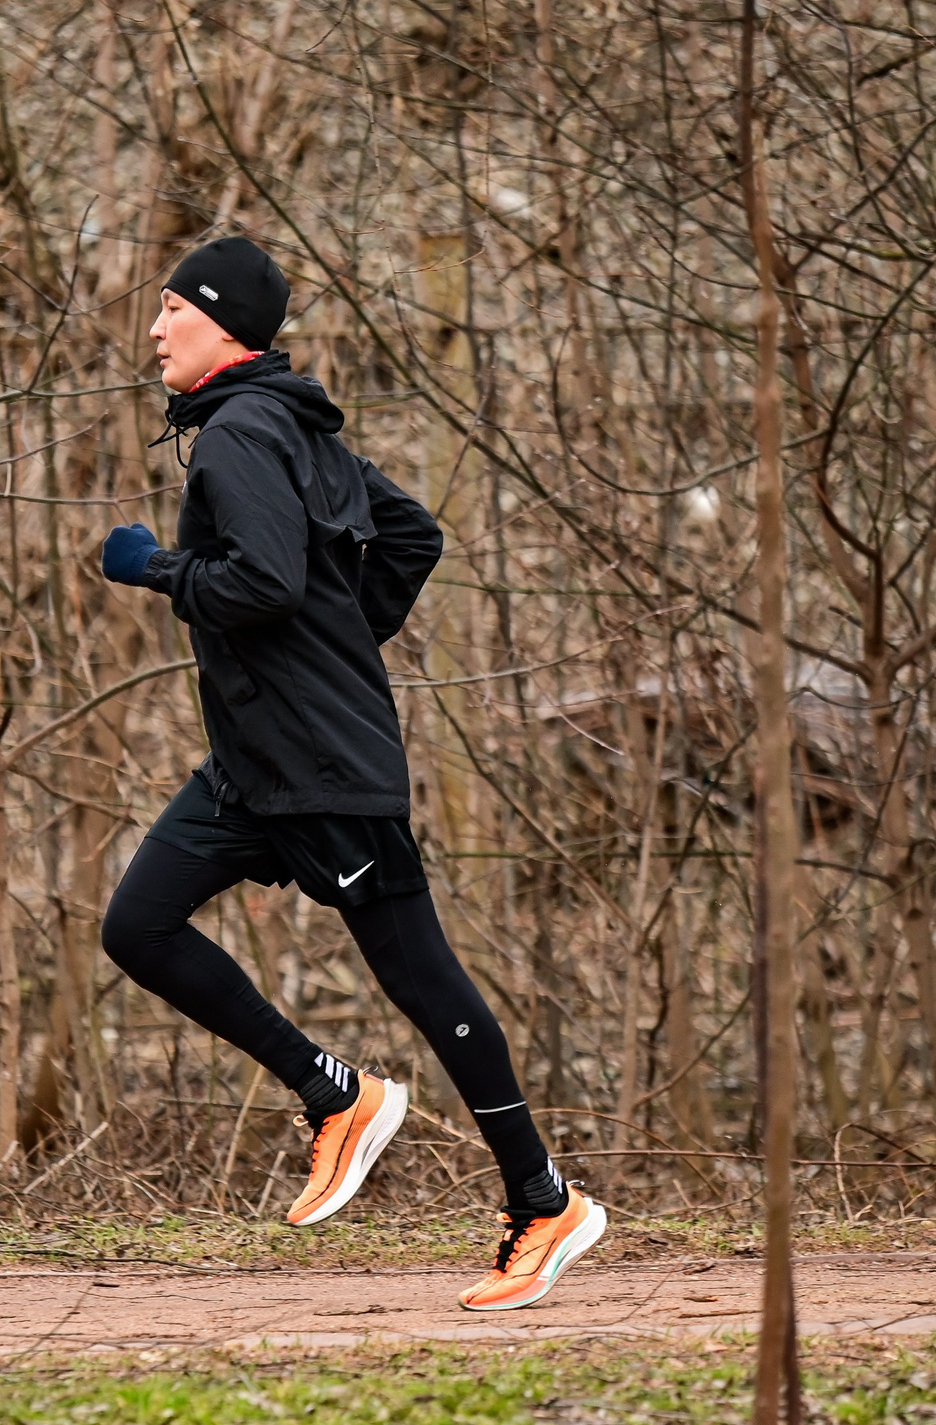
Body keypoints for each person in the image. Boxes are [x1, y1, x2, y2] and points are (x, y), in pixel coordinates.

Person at [95, 236, 605, 1312]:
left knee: (423, 978)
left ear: (222, 322)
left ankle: (543, 1198)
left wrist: (156, 567)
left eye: (172, 309)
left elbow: (264, 584)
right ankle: (335, 1093)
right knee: (138, 922)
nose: (154, 327)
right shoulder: (291, 423)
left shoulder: (242, 435)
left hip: (321, 766)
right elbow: (411, 535)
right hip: (260, 758)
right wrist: (336, 649)